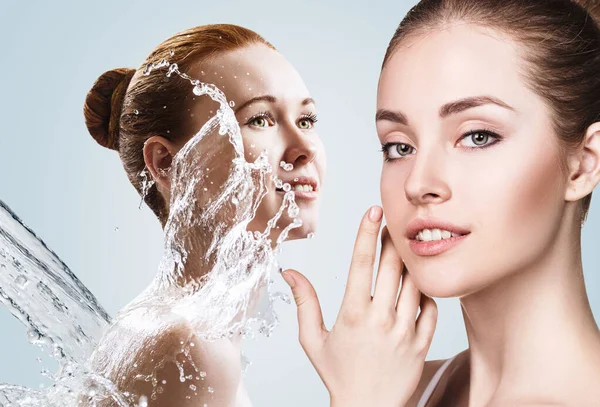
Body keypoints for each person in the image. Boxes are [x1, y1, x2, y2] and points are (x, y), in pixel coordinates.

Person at [282, 0, 600, 405]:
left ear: (584, 164)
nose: (417, 183)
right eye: (399, 146)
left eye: (477, 136)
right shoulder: (388, 389)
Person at [83, 24, 326, 406]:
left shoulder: (163, 326)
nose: (304, 149)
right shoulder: (188, 346)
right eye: (259, 120)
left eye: (307, 120)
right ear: (167, 163)